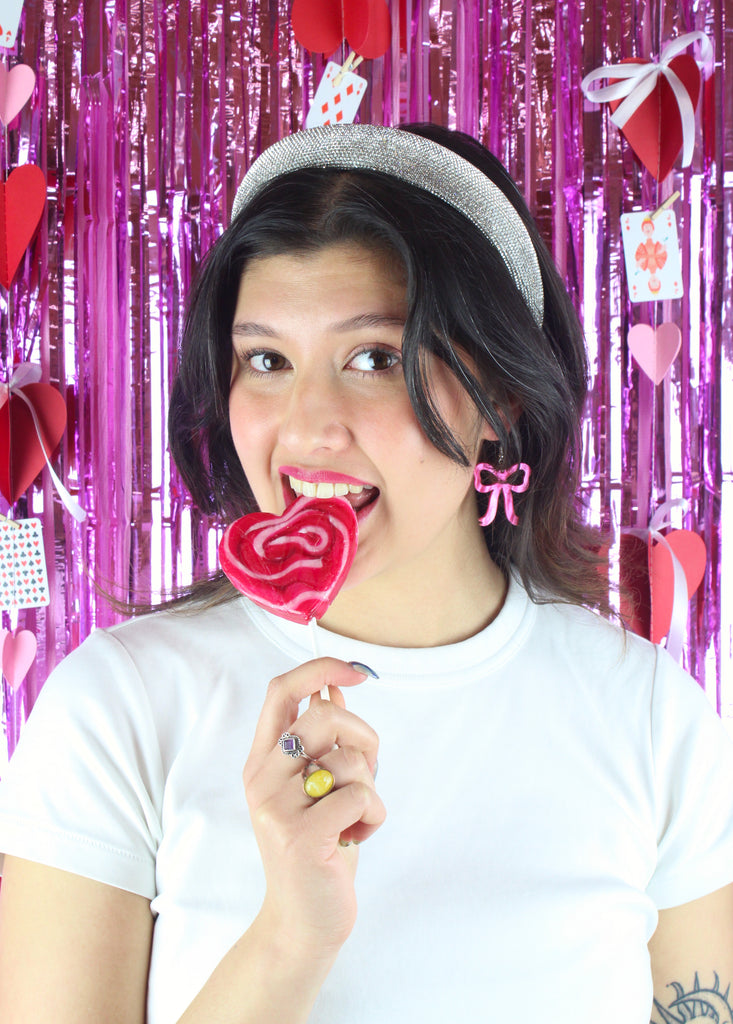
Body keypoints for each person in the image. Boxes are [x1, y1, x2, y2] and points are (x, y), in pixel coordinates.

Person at [0, 123, 732, 1024]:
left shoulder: (651, 717)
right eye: (266, 360)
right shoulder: (118, 708)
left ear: (499, 394)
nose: (307, 426)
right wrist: (289, 940)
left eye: (374, 358)